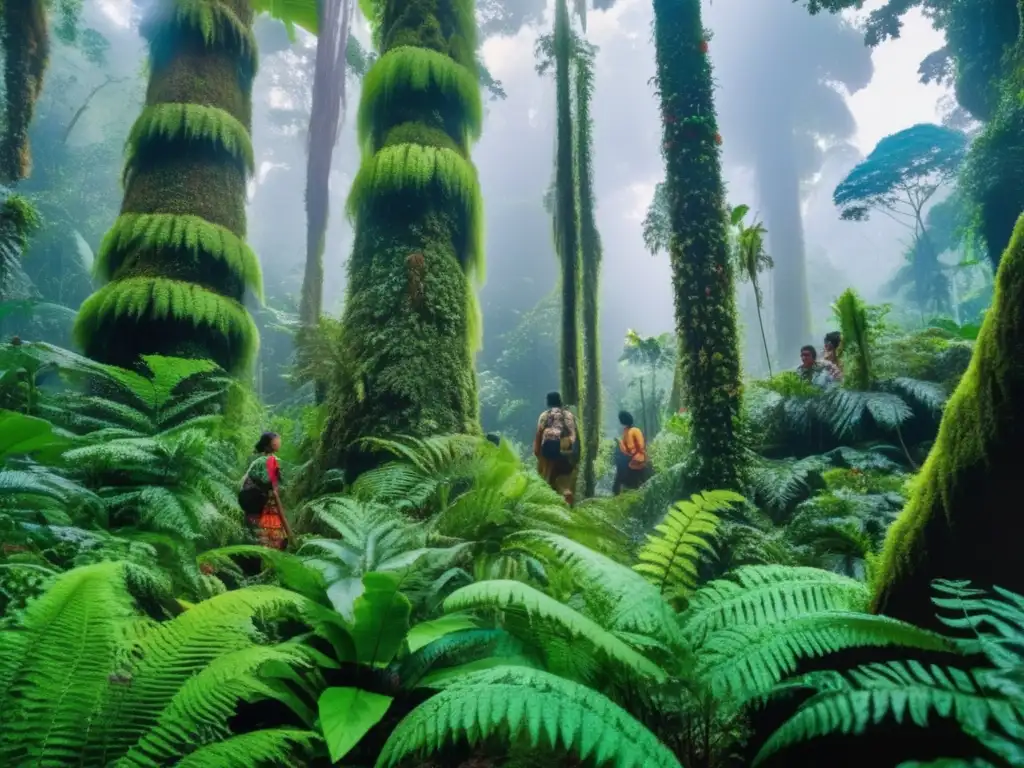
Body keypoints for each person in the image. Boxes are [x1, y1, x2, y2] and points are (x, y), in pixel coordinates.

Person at [238, 432, 294, 550]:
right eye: (276, 440)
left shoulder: (262, 460)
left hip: (252, 502)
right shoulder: (268, 461)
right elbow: (270, 484)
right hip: (257, 501)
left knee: (257, 534)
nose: (279, 441)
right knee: (265, 534)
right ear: (268, 445)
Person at [533, 392, 579, 505]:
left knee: (547, 478)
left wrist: (537, 452)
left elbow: (539, 434)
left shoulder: (545, 415)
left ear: (548, 401)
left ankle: (550, 505)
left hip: (549, 448)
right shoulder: (569, 415)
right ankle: (567, 497)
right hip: (566, 448)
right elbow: (575, 435)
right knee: (565, 480)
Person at [613, 410, 649, 495]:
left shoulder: (630, 432)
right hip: (641, 459)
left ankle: (617, 493)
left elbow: (630, 449)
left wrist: (619, 443)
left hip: (634, 461)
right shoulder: (635, 429)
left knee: (621, 477)